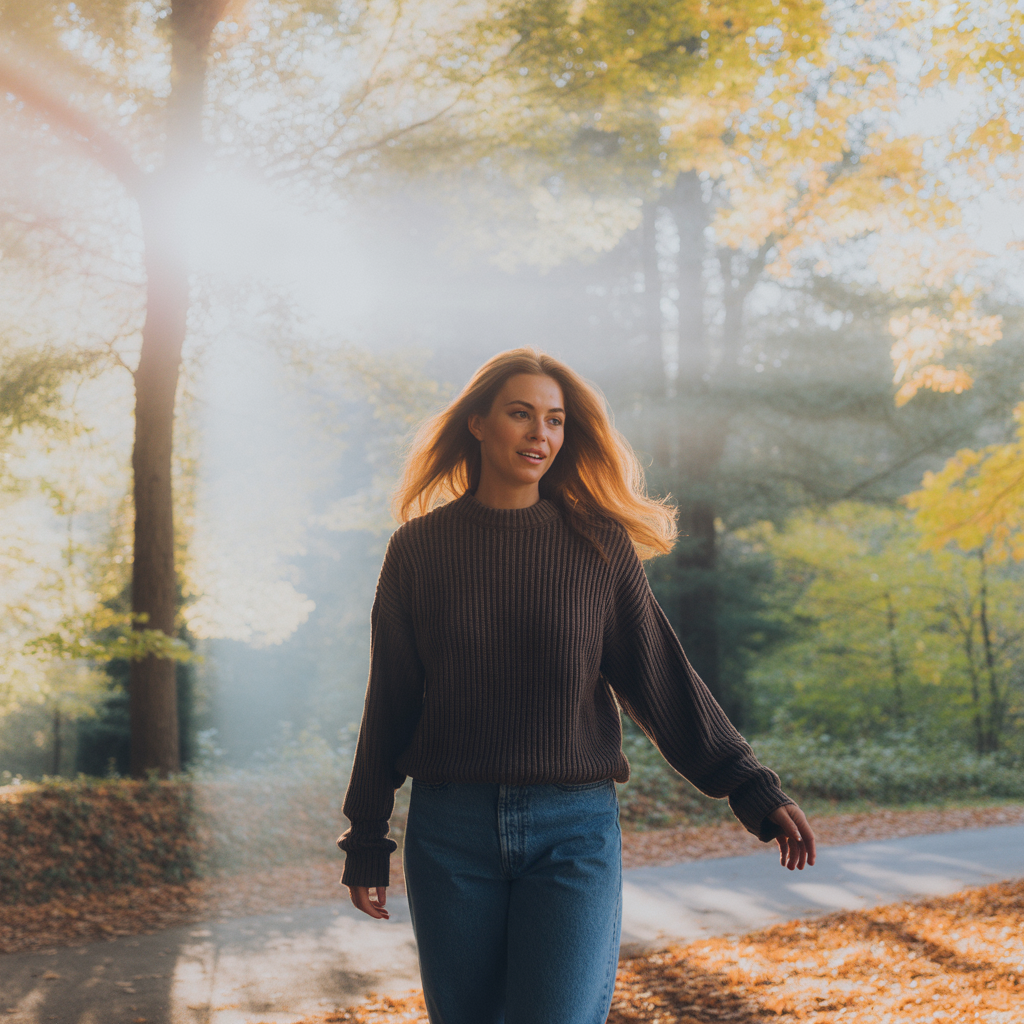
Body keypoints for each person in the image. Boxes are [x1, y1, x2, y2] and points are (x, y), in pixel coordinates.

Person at [338, 348, 815, 1024]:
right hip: (452, 832)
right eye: (521, 414)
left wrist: (748, 783)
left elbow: (662, 681)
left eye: (555, 420)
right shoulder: (417, 550)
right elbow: (388, 703)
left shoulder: (598, 546)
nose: (541, 434)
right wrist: (366, 835)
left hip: (574, 830)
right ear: (478, 423)